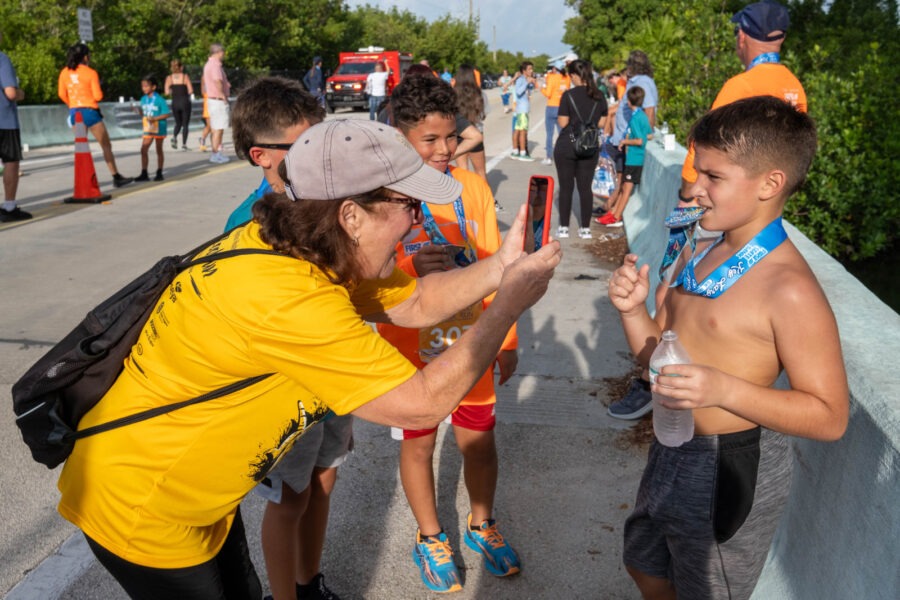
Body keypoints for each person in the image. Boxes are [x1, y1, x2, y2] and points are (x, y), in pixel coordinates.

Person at [55, 118, 562, 600]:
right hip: (144, 508)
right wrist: (510, 306)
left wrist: (502, 266)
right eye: (409, 205)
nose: (417, 223)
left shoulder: (304, 243)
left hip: (197, 495)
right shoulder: (290, 299)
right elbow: (420, 405)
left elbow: (415, 302)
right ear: (350, 214)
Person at [608, 96, 848, 600]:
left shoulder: (789, 288)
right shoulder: (698, 249)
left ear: (769, 183)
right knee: (646, 566)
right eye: (698, 171)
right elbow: (656, 362)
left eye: (713, 177)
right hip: (671, 445)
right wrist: (633, 312)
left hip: (728, 464)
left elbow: (829, 416)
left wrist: (721, 388)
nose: (695, 188)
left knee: (708, 589)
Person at [608, 0, 807, 421]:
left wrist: (691, 192)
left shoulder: (738, 86)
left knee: (671, 285)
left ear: (743, 36)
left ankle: (650, 382)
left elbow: (702, 154)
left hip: (718, 219)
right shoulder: (795, 87)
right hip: (755, 218)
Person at [378, 72, 521, 594]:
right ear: (400, 136)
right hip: (408, 354)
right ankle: (431, 536)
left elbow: (500, 268)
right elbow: (366, 277)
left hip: (468, 346)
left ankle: (481, 524)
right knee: (418, 445)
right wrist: (412, 267)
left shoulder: (473, 188)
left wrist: (506, 340)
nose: (444, 149)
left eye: (451, 136)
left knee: (479, 442)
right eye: (429, 139)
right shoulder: (383, 193)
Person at [226, 77, 343, 600]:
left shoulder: (329, 199)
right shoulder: (243, 224)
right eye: (303, 146)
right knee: (290, 497)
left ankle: (309, 582)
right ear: (261, 155)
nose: (319, 156)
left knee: (324, 480)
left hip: (335, 374)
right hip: (283, 386)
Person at [57, 43, 133, 188]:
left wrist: (72, 104)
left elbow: (61, 94)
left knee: (82, 148)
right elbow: (98, 96)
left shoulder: (64, 72)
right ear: (85, 57)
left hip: (74, 113)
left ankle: (84, 180)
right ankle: (116, 176)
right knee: (105, 145)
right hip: (90, 112)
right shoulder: (91, 72)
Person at [553, 59, 608, 240]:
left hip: (568, 144)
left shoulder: (568, 96)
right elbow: (601, 123)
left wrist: (573, 133)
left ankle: (564, 228)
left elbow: (563, 122)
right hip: (589, 145)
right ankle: (585, 228)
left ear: (575, 76)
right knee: (585, 188)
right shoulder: (599, 96)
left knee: (566, 187)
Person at [601, 50, 657, 208]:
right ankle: (610, 206)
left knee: (623, 178)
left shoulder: (643, 82)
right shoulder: (635, 81)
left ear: (634, 65)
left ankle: (611, 209)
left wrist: (648, 133)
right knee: (619, 175)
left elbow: (650, 109)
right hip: (622, 137)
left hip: (630, 139)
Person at [597, 86, 650, 227]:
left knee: (626, 189)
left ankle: (616, 217)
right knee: (624, 187)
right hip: (633, 158)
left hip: (634, 158)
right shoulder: (642, 115)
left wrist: (625, 141)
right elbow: (649, 134)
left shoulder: (636, 118)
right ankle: (613, 213)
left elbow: (640, 140)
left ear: (628, 101)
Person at [0, 31, 30, 222]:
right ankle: (9, 206)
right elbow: (10, 92)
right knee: (11, 161)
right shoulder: (2, 59)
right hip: (4, 120)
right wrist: (21, 93)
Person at [453, 64, 489, 181]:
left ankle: (465, 198)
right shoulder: (480, 94)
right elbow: (484, 115)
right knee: (480, 171)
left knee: (463, 170)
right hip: (475, 134)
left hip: (460, 135)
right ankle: (484, 198)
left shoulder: (453, 94)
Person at [135, 75, 171, 183]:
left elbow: (166, 114)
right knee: (143, 149)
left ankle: (159, 171)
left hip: (159, 127)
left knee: (158, 149)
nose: (144, 88)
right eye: (143, 86)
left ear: (153, 87)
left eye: (146, 86)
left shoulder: (160, 100)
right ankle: (144, 172)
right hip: (148, 128)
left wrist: (155, 118)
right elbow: (144, 114)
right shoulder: (143, 99)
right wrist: (139, 112)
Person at [203, 43, 231, 164]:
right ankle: (216, 153)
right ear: (219, 52)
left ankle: (216, 152)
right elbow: (217, 80)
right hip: (217, 99)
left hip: (212, 99)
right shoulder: (215, 65)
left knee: (216, 128)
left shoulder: (209, 64)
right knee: (219, 128)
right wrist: (222, 95)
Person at [541, 63, 570, 165]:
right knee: (562, 133)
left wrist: (541, 88)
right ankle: (565, 155)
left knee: (549, 134)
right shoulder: (567, 78)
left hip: (552, 106)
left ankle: (549, 157)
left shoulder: (552, 78)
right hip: (563, 107)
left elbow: (548, 94)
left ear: (554, 68)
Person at [164, 58, 194, 151]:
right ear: (181, 67)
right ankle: (184, 144)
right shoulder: (185, 77)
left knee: (178, 123)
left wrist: (172, 90)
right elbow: (190, 90)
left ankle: (174, 136)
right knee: (185, 124)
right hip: (185, 101)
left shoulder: (169, 78)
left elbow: (166, 92)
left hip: (175, 102)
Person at [511, 61, 536, 161]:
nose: (531, 71)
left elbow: (529, 90)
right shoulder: (521, 80)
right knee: (523, 131)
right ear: (524, 70)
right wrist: (527, 82)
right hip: (522, 110)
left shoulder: (525, 79)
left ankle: (515, 151)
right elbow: (518, 92)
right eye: (529, 69)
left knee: (517, 130)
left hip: (522, 109)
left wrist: (531, 83)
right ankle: (522, 152)